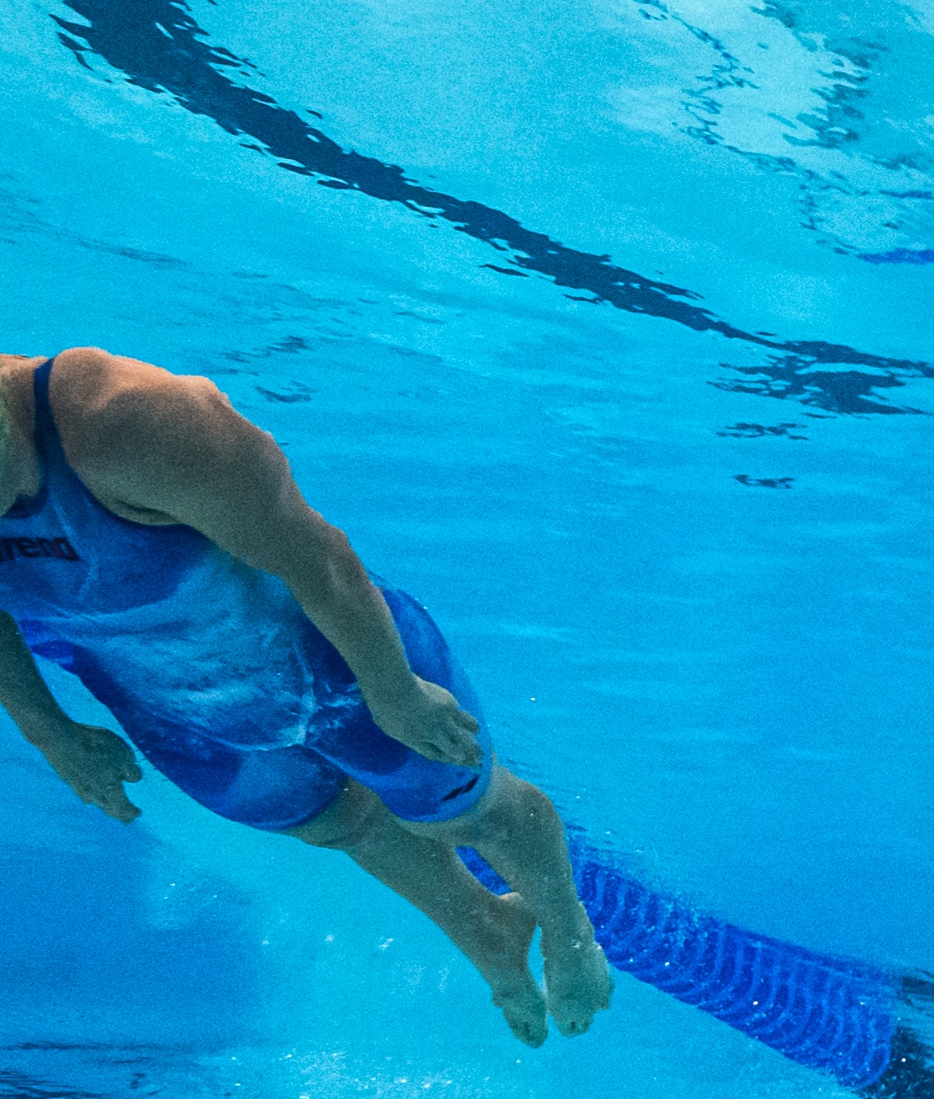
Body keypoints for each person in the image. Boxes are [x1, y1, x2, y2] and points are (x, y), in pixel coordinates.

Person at [2, 343, 615, 1046]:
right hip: (180, 709)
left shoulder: (130, 421)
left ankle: (570, 936)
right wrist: (52, 734)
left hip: (334, 667)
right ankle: (488, 930)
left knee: (464, 813)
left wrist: (394, 690)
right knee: (338, 826)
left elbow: (312, 553)